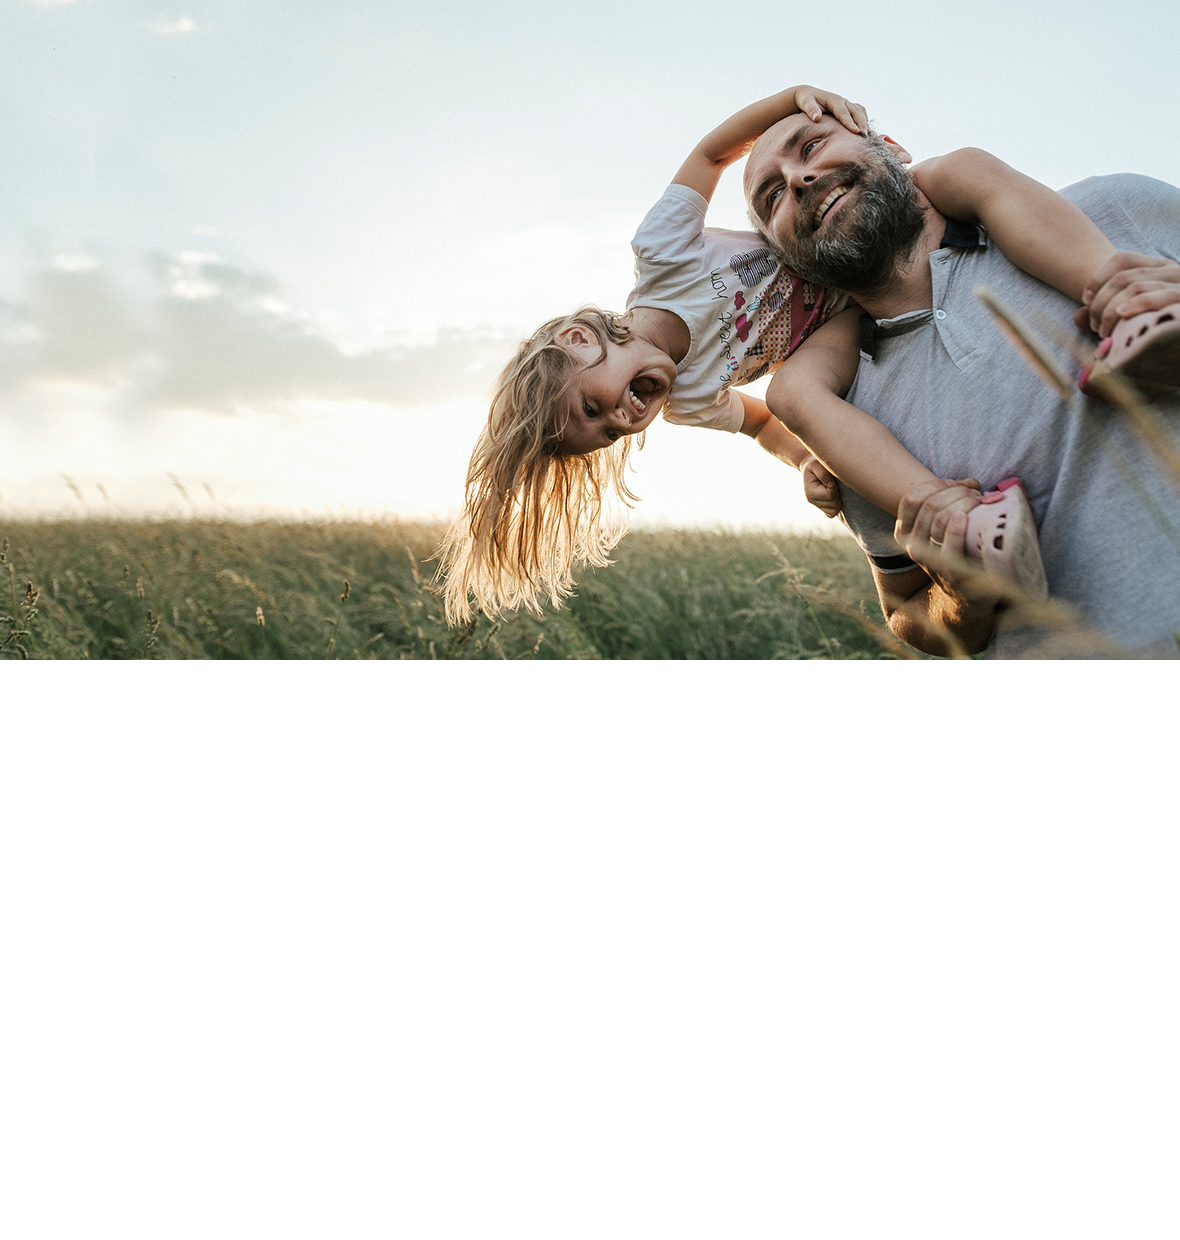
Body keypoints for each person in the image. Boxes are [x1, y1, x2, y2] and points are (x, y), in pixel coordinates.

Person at [437, 84, 1166, 626]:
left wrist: (786, 99)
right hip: (837, 320)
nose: (625, 417)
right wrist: (814, 464)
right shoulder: (724, 401)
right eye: (608, 431)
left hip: (953, 250)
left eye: (812, 148)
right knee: (792, 396)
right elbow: (762, 422)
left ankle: (1128, 303)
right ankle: (956, 522)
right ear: (779, 240)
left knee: (965, 165)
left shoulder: (661, 257)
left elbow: (706, 154)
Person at [743, 109, 1180, 657]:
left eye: (811, 146)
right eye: (771, 198)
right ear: (785, 256)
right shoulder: (840, 422)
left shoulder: (1115, 212)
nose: (798, 180)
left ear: (894, 148)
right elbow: (906, 613)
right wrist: (960, 594)